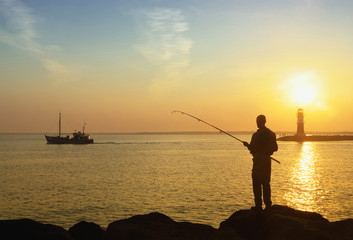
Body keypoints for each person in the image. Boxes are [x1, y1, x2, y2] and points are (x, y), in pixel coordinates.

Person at [243, 115, 278, 211]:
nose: (257, 123)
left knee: (257, 184)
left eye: (257, 121)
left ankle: (258, 206)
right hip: (267, 162)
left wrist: (247, 146)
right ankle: (268, 205)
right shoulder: (272, 134)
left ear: (260, 122)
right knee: (266, 183)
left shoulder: (256, 135)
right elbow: (275, 148)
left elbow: (253, 149)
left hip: (258, 162)